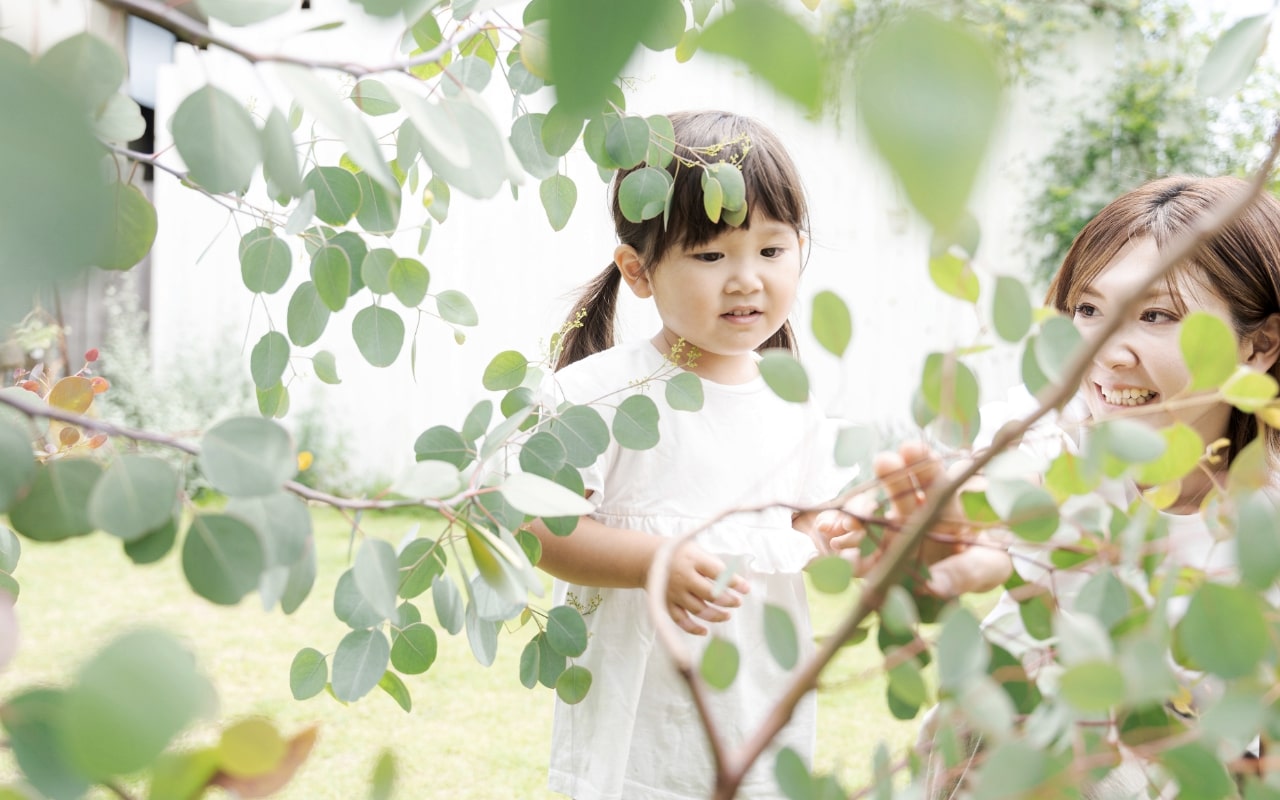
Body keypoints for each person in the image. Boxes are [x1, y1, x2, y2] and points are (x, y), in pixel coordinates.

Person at [849, 175, 1280, 798]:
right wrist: (950, 544)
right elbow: (997, 510)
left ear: (1260, 344)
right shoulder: (1057, 433)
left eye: (1156, 315)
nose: (1105, 351)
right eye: (1087, 310)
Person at [530, 109, 844, 800]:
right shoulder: (596, 396)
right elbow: (541, 531)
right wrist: (655, 562)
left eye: (771, 250)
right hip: (639, 720)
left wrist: (832, 533)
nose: (746, 280)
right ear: (638, 271)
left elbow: (804, 519)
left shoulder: (793, 396)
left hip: (758, 708)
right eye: (711, 256)